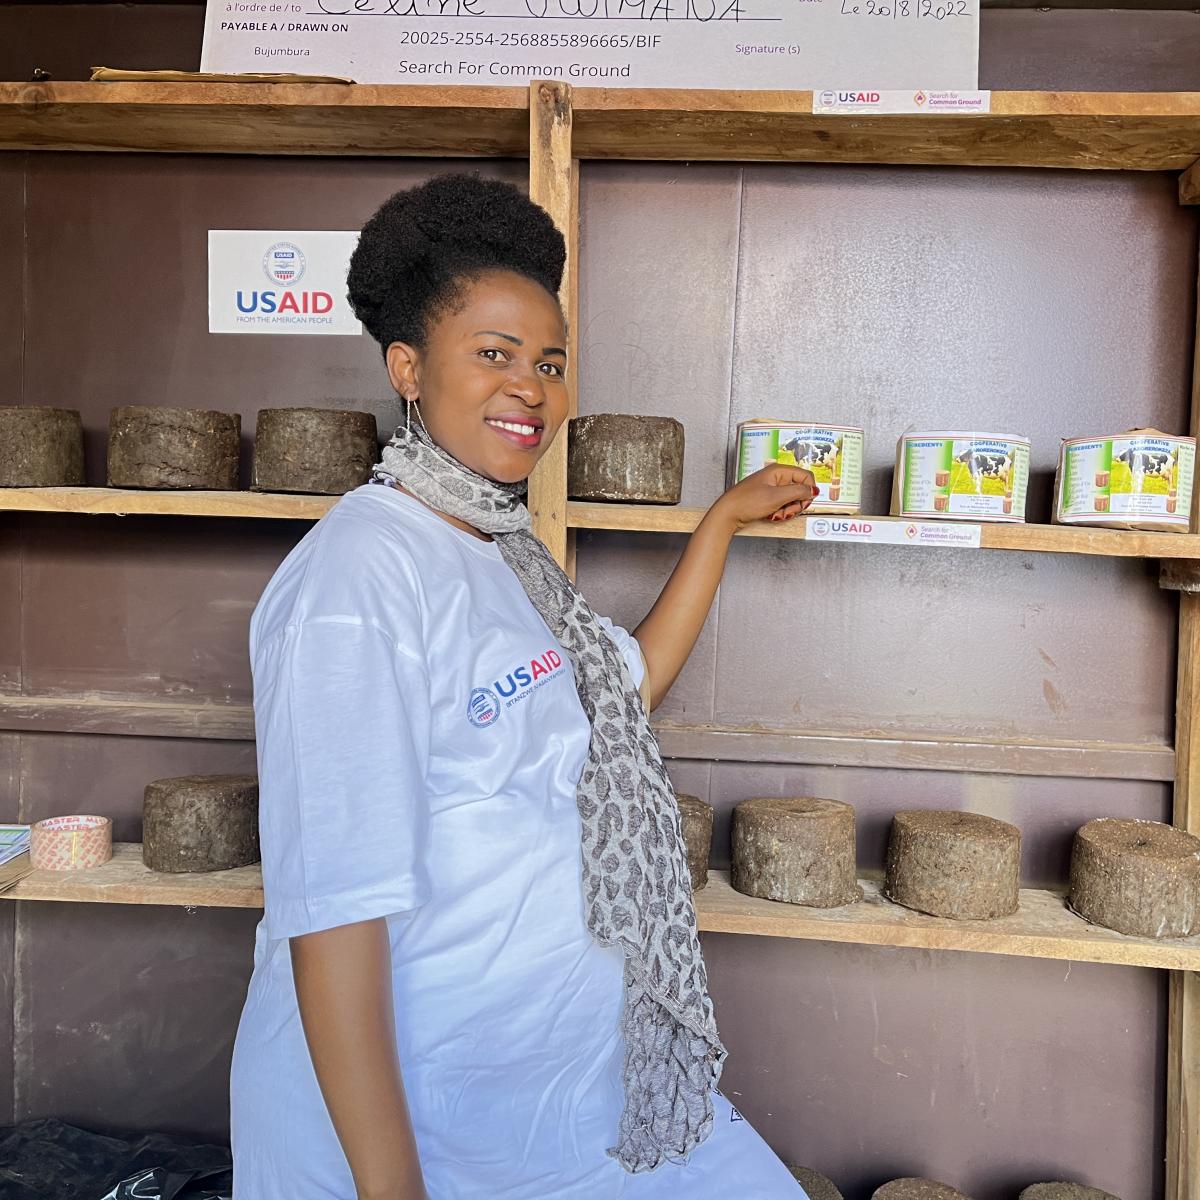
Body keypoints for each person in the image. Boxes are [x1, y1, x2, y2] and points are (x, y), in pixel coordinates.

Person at [230, 173, 817, 1200]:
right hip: (413, 1125)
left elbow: (619, 690)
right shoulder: (358, 579)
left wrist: (717, 525)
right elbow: (334, 917)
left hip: (562, 1096)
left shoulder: (504, 551)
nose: (531, 388)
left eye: (548, 361)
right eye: (493, 355)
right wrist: (390, 1187)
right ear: (407, 367)